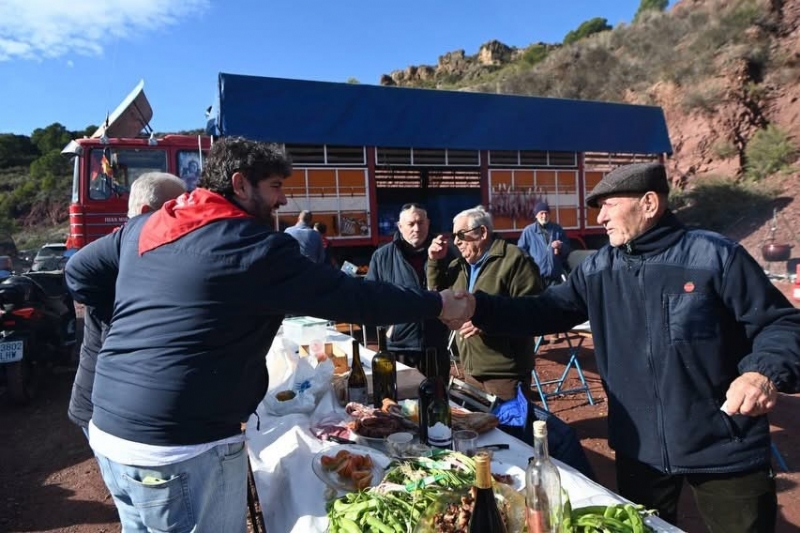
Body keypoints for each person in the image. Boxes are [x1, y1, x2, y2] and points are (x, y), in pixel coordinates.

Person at [64, 136, 471, 533]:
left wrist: (124, 324)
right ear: (240, 184)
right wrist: (436, 304)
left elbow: (79, 271)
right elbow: (352, 297)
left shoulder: (150, 226)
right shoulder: (252, 246)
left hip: (109, 434)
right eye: (275, 187)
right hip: (182, 448)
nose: (283, 200)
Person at [459, 162, 800, 531]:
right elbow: (546, 309)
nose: (600, 217)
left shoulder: (714, 256)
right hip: (640, 448)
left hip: (725, 444)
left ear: (650, 203)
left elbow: (780, 322)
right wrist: (479, 306)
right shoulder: (600, 267)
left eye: (608, 205)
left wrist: (762, 373)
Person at [67, 172, 187, 438]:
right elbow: (76, 277)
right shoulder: (116, 259)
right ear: (146, 213)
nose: (187, 219)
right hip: (104, 405)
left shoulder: (148, 253)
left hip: (123, 402)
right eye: (177, 210)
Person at [427, 205, 542, 402]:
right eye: (454, 236)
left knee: (509, 431)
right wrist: (435, 262)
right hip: (471, 369)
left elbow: (534, 312)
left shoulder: (514, 260)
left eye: (461, 235)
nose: (456, 242)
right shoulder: (457, 266)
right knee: (480, 430)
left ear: (482, 232)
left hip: (505, 373)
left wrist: (486, 320)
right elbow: (438, 298)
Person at [366, 203, 453, 377]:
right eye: (411, 224)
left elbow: (457, 290)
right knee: (402, 400)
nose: (417, 228)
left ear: (428, 224)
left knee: (437, 399)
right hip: (399, 348)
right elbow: (370, 297)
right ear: (400, 226)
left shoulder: (446, 254)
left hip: (434, 345)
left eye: (421, 223)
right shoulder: (382, 256)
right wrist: (389, 328)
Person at [517, 201, 571, 288]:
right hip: (537, 279)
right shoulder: (529, 231)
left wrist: (561, 246)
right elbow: (520, 251)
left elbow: (568, 250)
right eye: (541, 213)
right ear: (536, 215)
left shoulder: (557, 229)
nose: (544, 216)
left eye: (546, 213)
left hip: (555, 278)